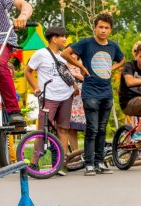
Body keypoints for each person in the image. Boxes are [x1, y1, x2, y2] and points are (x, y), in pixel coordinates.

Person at [61, 13, 125, 176]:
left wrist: (112, 69)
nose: (103, 30)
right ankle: (89, 163)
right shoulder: (86, 43)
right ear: (95, 27)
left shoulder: (113, 46)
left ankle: (100, 162)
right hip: (90, 92)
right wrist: (81, 67)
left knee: (102, 129)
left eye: (106, 28)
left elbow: (122, 59)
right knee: (92, 128)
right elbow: (65, 54)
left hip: (106, 92)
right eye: (100, 27)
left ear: (110, 30)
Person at [24, 27, 74, 167]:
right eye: (62, 36)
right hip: (49, 97)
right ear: (54, 38)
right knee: (42, 130)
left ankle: (60, 163)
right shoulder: (41, 54)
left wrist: (74, 86)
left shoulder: (64, 55)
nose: (65, 39)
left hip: (66, 95)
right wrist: (36, 88)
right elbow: (27, 71)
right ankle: (34, 162)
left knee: (63, 129)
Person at [68, 50, 86, 152]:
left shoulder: (82, 63)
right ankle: (75, 153)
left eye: (75, 53)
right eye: (71, 53)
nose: (73, 55)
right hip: (70, 96)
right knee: (71, 126)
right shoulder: (64, 65)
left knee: (87, 125)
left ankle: (89, 152)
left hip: (83, 96)